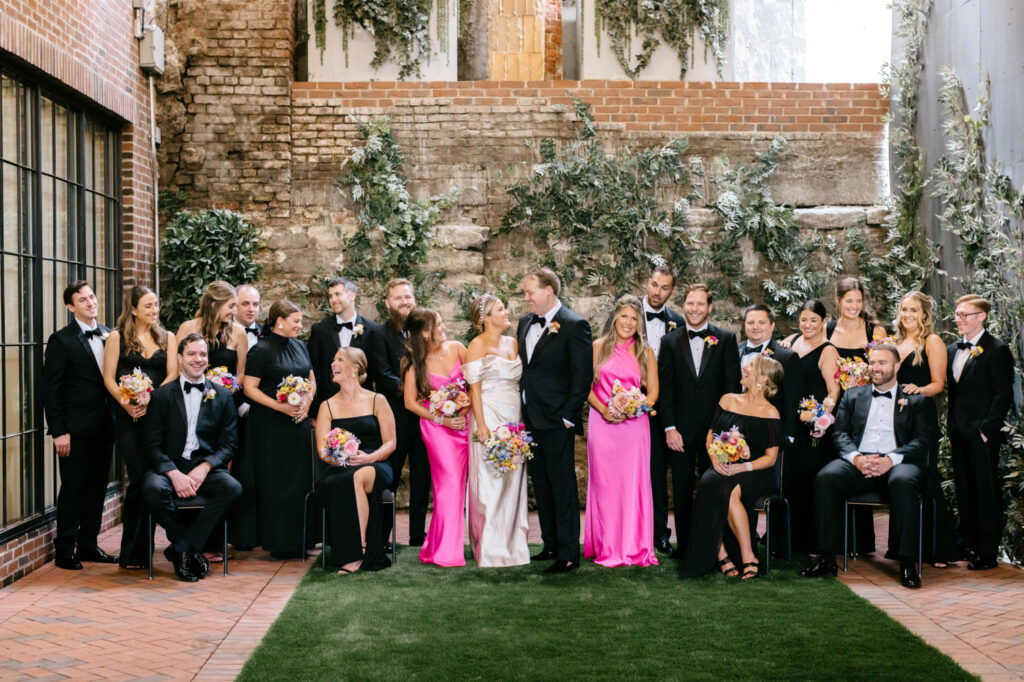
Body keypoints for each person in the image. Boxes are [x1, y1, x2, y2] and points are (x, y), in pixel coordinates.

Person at [801, 343, 931, 589]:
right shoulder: (852, 395)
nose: (875, 368)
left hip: (897, 462)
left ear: (896, 366)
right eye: (872, 363)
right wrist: (856, 458)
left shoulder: (915, 400)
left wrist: (890, 460)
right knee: (826, 478)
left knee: (904, 482)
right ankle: (827, 557)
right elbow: (840, 434)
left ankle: (906, 563)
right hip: (859, 461)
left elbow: (923, 440)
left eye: (882, 363)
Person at [141, 334, 242, 582]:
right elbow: (151, 445)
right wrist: (173, 473)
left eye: (203, 354)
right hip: (171, 467)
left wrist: (206, 467)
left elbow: (229, 445)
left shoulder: (223, 396)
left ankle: (182, 548)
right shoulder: (162, 396)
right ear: (179, 358)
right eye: (192, 354)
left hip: (204, 467)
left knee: (233, 488)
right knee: (152, 489)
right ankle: (188, 546)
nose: (198, 359)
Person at [679, 354, 783, 579]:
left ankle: (745, 556)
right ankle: (723, 553)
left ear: (763, 378)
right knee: (710, 481)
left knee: (730, 489)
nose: (744, 368)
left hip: (754, 471)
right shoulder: (727, 399)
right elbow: (710, 437)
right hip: (722, 464)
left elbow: (771, 458)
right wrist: (715, 459)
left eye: (751, 366)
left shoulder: (771, 413)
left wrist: (743, 468)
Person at [517, 268, 593, 574]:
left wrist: (567, 415)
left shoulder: (576, 325)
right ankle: (549, 544)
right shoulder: (524, 323)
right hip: (530, 419)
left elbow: (582, 376)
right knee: (542, 485)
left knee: (562, 486)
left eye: (529, 292)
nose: (526, 298)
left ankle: (568, 552)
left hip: (557, 420)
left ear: (548, 290)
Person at [657, 283, 740, 557]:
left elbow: (732, 391)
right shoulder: (669, 342)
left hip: (715, 432)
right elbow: (665, 389)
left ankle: (715, 546)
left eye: (700, 304)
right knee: (681, 490)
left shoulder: (726, 339)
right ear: (684, 305)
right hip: (679, 430)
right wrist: (669, 428)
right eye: (690, 303)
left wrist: (723, 431)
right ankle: (686, 548)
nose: (695, 309)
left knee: (714, 488)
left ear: (710, 307)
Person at [43, 280, 118, 569]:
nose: (90, 303)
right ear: (70, 306)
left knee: (97, 488)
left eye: (92, 297)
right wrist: (59, 431)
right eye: (82, 300)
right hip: (73, 431)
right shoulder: (61, 340)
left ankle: (88, 544)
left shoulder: (111, 335)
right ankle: (64, 550)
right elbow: (51, 390)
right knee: (73, 488)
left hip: (105, 427)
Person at [103, 285, 178, 570]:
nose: (154, 310)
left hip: (158, 419)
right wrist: (127, 403)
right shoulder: (116, 337)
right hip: (129, 420)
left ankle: (146, 550)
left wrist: (151, 398)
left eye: (156, 305)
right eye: (148, 306)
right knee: (138, 479)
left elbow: (172, 373)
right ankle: (133, 551)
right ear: (133, 309)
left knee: (153, 479)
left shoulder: (167, 337)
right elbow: (109, 378)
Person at [585, 295, 659, 567]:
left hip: (634, 429)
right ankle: (606, 546)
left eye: (634, 318)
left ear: (640, 323)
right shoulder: (597, 348)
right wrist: (605, 409)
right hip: (602, 426)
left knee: (631, 486)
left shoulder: (645, 352)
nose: (628, 323)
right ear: (615, 317)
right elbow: (587, 388)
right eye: (624, 316)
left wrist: (633, 408)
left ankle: (633, 546)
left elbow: (653, 393)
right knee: (605, 486)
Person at [176, 281, 249, 560]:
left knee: (220, 473)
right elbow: (177, 366)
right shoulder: (187, 328)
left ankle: (215, 541)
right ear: (215, 305)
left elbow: (241, 373)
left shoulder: (239, 332)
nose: (235, 311)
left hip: (224, 409)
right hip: (191, 408)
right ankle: (191, 538)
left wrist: (222, 388)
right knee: (190, 466)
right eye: (232, 305)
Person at [242, 300, 316, 559]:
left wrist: (306, 402)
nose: (300, 325)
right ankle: (279, 541)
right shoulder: (260, 350)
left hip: (298, 423)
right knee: (276, 482)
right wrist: (278, 406)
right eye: (295, 321)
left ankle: (303, 537)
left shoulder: (299, 345)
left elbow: (311, 379)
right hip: (270, 427)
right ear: (279, 321)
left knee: (300, 480)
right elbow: (249, 388)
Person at [946, 294, 1014, 571]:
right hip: (958, 432)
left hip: (981, 434)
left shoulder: (997, 350)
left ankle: (987, 552)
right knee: (964, 490)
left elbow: (1003, 395)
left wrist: (987, 430)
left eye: (965, 315)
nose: (959, 319)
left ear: (981, 316)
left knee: (986, 493)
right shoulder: (952, 349)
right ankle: (969, 543)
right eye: (958, 314)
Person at [314, 347, 396, 574]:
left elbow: (391, 443)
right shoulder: (326, 406)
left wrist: (371, 457)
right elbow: (322, 449)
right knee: (345, 480)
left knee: (359, 476)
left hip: (375, 462)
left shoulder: (377, 400)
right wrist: (338, 457)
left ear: (355, 368)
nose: (333, 363)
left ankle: (357, 553)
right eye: (333, 359)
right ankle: (358, 551)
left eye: (339, 359)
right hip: (339, 466)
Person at [893, 291, 959, 566]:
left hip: (921, 419)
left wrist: (918, 391)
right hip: (897, 420)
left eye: (913, 310)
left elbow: (938, 384)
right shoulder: (894, 342)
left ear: (924, 315)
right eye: (904, 310)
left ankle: (937, 549)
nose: (908, 315)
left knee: (927, 480)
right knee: (903, 481)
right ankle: (904, 546)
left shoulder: (932, 341)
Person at [464, 294, 530, 567]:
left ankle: (514, 545)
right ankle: (490, 548)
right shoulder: (476, 346)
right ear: (485, 318)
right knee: (490, 480)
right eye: (500, 309)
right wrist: (481, 424)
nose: (506, 312)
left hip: (514, 418)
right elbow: (474, 389)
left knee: (512, 479)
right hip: (489, 416)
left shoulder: (512, 342)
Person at [402, 308, 470, 567]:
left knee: (457, 487)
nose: (444, 327)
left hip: (463, 425)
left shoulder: (458, 348)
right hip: (437, 429)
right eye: (438, 324)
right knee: (448, 486)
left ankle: (435, 547)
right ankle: (447, 552)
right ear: (425, 332)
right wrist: (441, 418)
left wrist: (465, 405)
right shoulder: (415, 363)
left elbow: (475, 384)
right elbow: (411, 402)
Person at [826, 277, 886, 553]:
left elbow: (886, 368)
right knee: (835, 469)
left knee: (861, 468)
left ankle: (861, 542)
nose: (854, 305)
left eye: (859, 301)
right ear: (838, 301)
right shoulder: (827, 330)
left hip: (866, 411)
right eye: (849, 300)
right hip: (836, 410)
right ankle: (836, 540)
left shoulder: (875, 330)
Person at [781, 300, 840, 552]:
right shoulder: (792, 341)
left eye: (814, 320)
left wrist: (822, 421)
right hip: (790, 423)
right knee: (789, 480)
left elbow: (833, 391)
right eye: (804, 319)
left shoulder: (828, 351)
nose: (808, 324)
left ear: (824, 322)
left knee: (809, 480)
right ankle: (788, 538)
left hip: (814, 427)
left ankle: (810, 541)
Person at [378, 278, 429, 546]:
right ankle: (383, 537)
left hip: (425, 419)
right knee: (390, 478)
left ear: (414, 299)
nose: (404, 302)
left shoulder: (425, 330)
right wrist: (412, 392)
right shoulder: (379, 333)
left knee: (422, 479)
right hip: (395, 419)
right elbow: (381, 373)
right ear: (388, 303)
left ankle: (418, 536)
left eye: (408, 297)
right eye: (398, 298)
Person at [641, 265, 684, 555]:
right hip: (628, 404)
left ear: (672, 291)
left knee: (657, 473)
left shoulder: (678, 322)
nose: (657, 292)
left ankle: (659, 533)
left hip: (662, 409)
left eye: (664, 287)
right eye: (654, 285)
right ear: (648, 282)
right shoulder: (625, 312)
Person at [307, 276, 390, 421]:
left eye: (338, 294)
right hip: (329, 408)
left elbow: (378, 371)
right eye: (330, 296)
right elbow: (311, 370)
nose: (333, 300)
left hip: (364, 408)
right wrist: (313, 412)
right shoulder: (319, 330)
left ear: (352, 296)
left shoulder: (373, 330)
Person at [231, 283, 263, 547]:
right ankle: (236, 533)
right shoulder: (225, 334)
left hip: (262, 415)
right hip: (233, 410)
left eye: (255, 304)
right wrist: (242, 406)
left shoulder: (265, 334)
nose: (251, 309)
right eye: (245, 304)